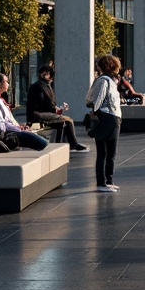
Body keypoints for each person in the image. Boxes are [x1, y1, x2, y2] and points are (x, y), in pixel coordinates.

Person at [26, 64, 89, 151]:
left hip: (40, 113)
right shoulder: (39, 86)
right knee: (67, 120)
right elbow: (42, 104)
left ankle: (69, 143)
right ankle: (73, 144)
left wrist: (56, 109)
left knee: (65, 121)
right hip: (38, 115)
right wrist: (54, 109)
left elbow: (47, 103)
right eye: (47, 73)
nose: (49, 76)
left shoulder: (45, 86)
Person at [0, 72, 49, 150]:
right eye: (6, 81)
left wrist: (18, 127)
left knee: (42, 138)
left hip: (10, 131)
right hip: (7, 135)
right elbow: (0, 123)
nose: (8, 84)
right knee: (43, 143)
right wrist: (18, 129)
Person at [86, 54, 123, 191]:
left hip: (112, 117)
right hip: (108, 117)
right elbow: (95, 100)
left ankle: (109, 180)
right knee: (104, 152)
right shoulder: (104, 81)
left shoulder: (108, 81)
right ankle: (102, 183)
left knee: (110, 153)